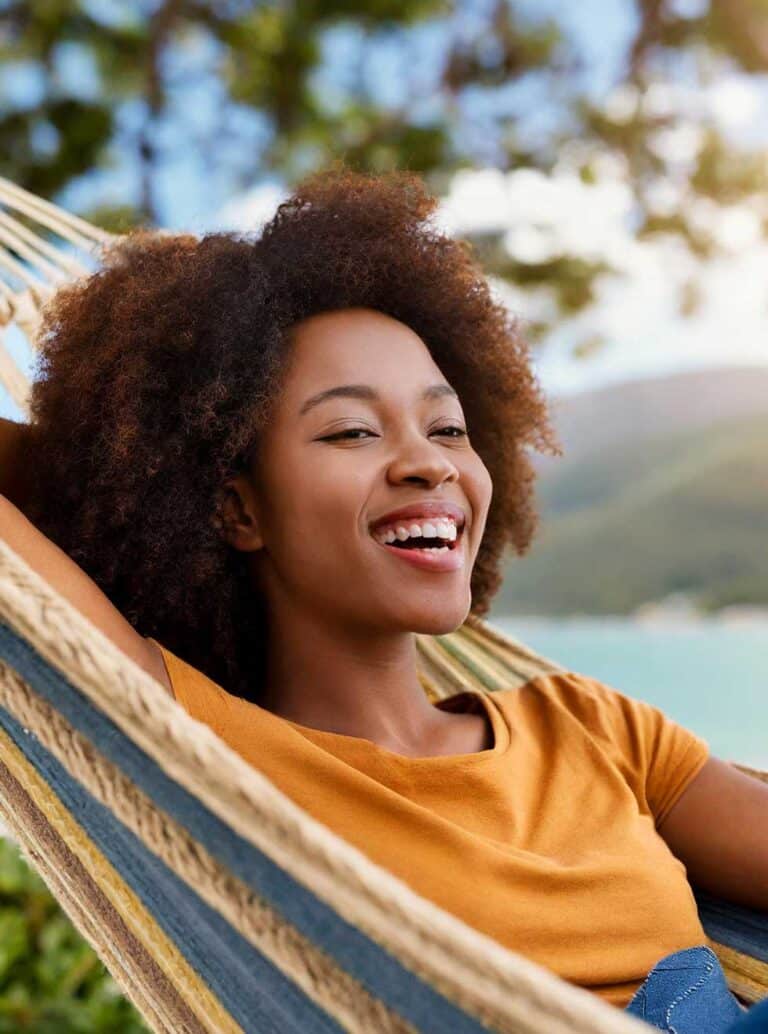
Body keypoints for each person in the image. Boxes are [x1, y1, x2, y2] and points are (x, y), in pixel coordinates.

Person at [1, 165, 766, 1031]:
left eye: (447, 428)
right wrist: (120, 472)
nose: (430, 462)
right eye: (352, 430)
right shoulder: (200, 754)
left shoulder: (594, 728)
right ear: (235, 506)